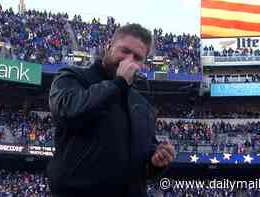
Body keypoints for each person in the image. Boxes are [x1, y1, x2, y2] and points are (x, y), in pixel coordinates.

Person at [47, 23, 175, 197]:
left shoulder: (142, 105)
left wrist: (156, 162)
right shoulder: (73, 77)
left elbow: (143, 168)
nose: (129, 60)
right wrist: (119, 83)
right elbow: (67, 111)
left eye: (137, 58)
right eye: (124, 51)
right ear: (108, 47)